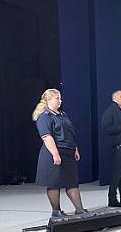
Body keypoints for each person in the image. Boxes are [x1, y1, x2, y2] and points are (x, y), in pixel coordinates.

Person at [32, 89, 86, 218]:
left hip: (68, 152)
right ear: (49, 100)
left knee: (72, 183)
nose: (60, 101)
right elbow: (47, 137)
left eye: (60, 98)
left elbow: (70, 133)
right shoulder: (44, 116)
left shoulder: (63, 115)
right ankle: (56, 211)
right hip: (54, 153)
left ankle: (80, 210)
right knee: (54, 184)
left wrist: (75, 149)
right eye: (57, 98)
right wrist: (55, 154)